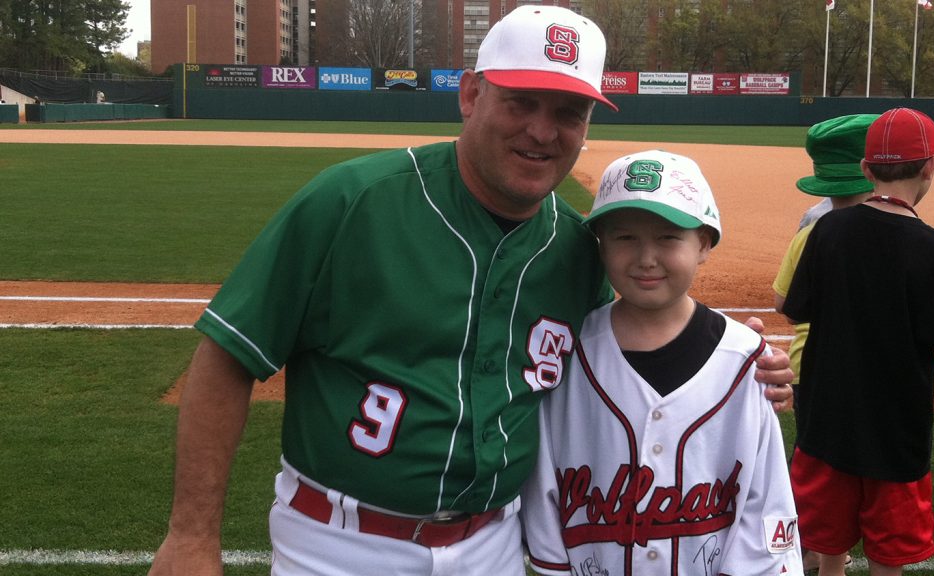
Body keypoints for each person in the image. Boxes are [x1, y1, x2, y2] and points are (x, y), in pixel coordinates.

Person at [148, 6, 793, 576]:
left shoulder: (580, 248)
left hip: (494, 546)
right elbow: (228, 357)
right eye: (521, 102)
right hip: (338, 545)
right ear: (470, 94)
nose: (543, 131)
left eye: (569, 112)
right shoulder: (351, 202)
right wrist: (191, 536)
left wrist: (745, 359)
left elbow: (634, 348)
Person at [522, 150, 803, 576]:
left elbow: (764, 500)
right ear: (600, 246)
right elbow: (543, 488)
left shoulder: (746, 361)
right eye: (625, 237)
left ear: (704, 243)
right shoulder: (568, 353)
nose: (646, 257)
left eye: (669, 237)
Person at [782, 107, 934, 576]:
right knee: (888, 557)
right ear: (930, 167)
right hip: (896, 434)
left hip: (827, 425)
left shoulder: (825, 230)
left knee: (829, 550)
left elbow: (796, 307)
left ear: (866, 169)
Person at [772, 113, 878, 573]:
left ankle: (817, 550)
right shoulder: (900, 229)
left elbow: (786, 302)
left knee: (816, 460)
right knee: (872, 464)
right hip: (875, 366)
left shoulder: (814, 224)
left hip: (810, 363)